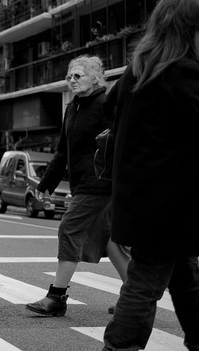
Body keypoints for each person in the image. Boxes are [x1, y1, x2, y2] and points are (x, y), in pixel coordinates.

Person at [96, 0, 199, 351]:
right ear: (191, 30)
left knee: (187, 279)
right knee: (145, 283)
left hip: (142, 198)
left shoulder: (138, 69)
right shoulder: (184, 72)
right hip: (169, 203)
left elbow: (111, 111)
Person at [26, 56, 129, 317]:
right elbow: (63, 151)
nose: (72, 80)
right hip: (84, 182)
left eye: (78, 75)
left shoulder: (106, 105)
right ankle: (135, 298)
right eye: (69, 76)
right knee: (109, 241)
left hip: (101, 183)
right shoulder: (72, 108)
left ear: (95, 77)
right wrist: (47, 181)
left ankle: (55, 297)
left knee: (69, 228)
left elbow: (123, 142)